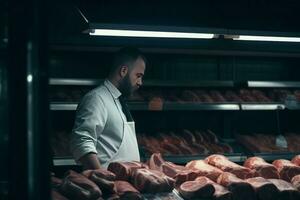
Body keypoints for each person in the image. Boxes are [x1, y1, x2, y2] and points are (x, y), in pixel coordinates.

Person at [70, 47, 146, 169]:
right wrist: (101, 176)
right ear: (123, 71)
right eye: (138, 75)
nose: (140, 82)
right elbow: (82, 141)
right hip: (107, 185)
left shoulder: (118, 100)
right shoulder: (97, 98)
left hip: (124, 184)